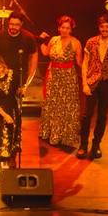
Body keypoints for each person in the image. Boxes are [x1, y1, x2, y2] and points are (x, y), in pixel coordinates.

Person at [0, 12, 38, 150]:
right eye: (11, 24)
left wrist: (27, 82)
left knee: (17, 112)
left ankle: (15, 141)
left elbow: (33, 59)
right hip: (0, 77)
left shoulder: (28, 38)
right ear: (8, 23)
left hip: (18, 79)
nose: (13, 27)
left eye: (17, 25)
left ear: (21, 25)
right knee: (0, 112)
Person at [78, 14, 108, 160]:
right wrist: (85, 83)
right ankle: (83, 145)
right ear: (99, 27)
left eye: (107, 26)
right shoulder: (91, 42)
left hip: (107, 83)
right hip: (92, 82)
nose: (104, 29)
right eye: (102, 26)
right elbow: (85, 63)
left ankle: (96, 145)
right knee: (86, 116)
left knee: (102, 116)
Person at [38, 16, 82, 149]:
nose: (64, 30)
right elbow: (45, 53)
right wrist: (41, 41)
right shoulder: (53, 40)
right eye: (62, 27)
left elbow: (80, 63)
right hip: (53, 75)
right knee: (52, 104)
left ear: (71, 29)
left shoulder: (76, 43)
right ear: (59, 28)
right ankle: (50, 133)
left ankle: (65, 136)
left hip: (68, 77)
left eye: (67, 28)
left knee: (66, 106)